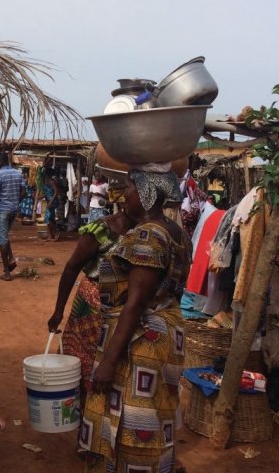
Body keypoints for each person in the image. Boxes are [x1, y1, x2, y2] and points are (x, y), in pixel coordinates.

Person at [79, 169, 191, 472]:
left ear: (146, 195)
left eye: (128, 188)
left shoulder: (148, 234)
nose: (122, 195)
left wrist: (108, 362)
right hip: (167, 332)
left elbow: (136, 302)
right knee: (157, 412)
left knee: (131, 420)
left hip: (140, 339)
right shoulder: (177, 233)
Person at [47, 209, 133, 396]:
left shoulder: (148, 233)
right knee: (80, 363)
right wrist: (58, 311)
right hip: (89, 307)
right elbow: (72, 268)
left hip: (125, 310)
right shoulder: (102, 229)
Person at [0, 152, 24, 281]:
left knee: (2, 239)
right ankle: (11, 259)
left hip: (3, 210)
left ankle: (7, 273)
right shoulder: (18, 173)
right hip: (14, 210)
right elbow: (23, 191)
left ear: (1, 161)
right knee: (4, 235)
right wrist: (16, 201)